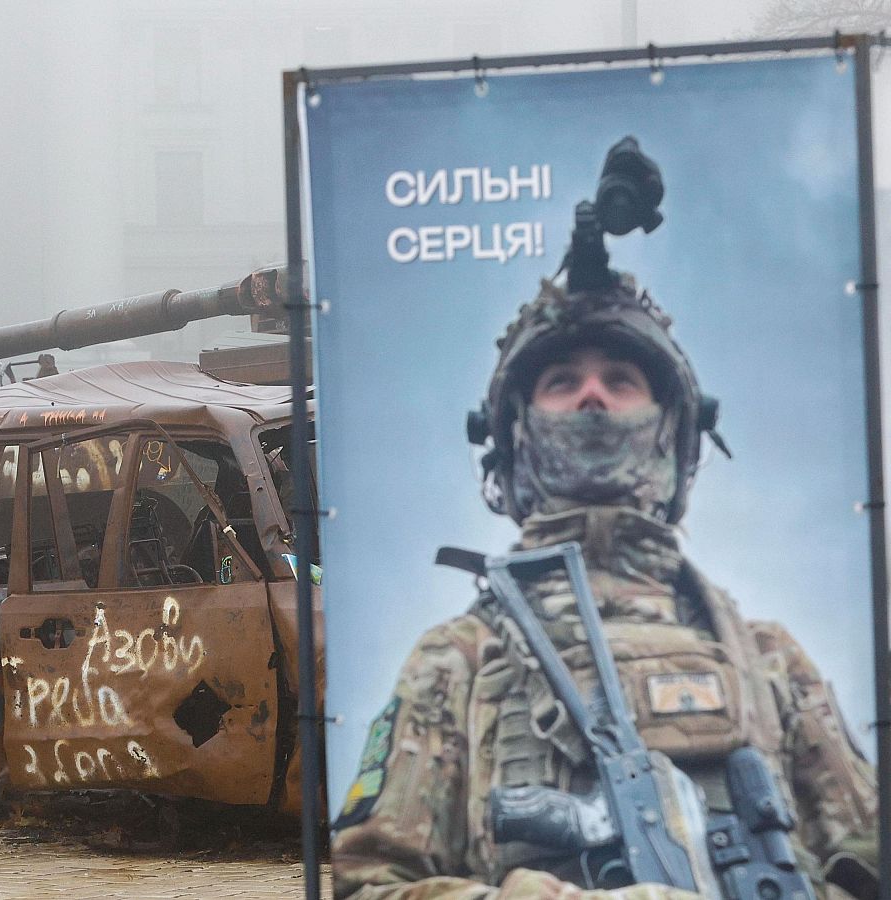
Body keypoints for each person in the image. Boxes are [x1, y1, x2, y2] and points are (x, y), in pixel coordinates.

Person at [330, 277, 880, 899]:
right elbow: (365, 885)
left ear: (668, 426)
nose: (592, 395)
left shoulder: (771, 661)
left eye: (620, 380)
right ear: (519, 431)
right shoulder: (457, 660)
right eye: (562, 381)